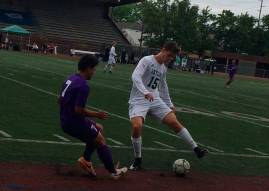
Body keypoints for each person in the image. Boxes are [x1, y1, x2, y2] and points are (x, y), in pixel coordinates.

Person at [128, 41, 208, 170]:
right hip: (139, 99)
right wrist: (145, 92)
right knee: (137, 126)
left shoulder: (163, 68)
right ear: (163, 49)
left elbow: (163, 87)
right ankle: (138, 160)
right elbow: (135, 76)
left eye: (172, 57)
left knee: (174, 122)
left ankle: (196, 149)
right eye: (169, 55)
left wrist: (169, 104)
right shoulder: (147, 60)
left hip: (155, 99)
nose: (169, 59)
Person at [59, 54, 127, 179]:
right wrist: (97, 114)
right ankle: (113, 172)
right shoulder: (83, 86)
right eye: (94, 69)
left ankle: (86, 160)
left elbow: (60, 100)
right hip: (73, 122)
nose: (94, 72)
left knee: (98, 128)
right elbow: (79, 110)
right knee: (100, 140)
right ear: (88, 68)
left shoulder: (70, 78)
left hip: (66, 119)